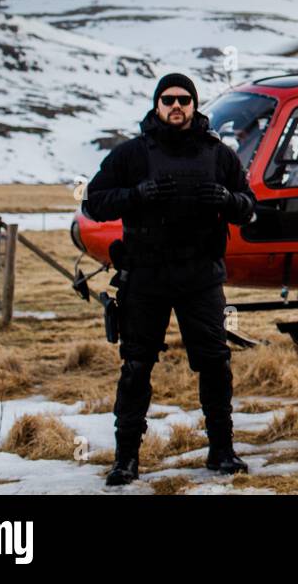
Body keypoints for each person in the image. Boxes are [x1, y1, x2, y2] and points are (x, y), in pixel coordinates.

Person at [84, 72, 257, 486]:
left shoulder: (220, 155)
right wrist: (137, 195)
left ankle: (221, 451)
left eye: (184, 99)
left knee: (215, 363)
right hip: (145, 276)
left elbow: (249, 208)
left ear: (194, 105)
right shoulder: (131, 155)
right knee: (136, 366)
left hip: (200, 276)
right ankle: (126, 459)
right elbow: (93, 203)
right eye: (168, 100)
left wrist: (227, 199)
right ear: (156, 105)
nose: (176, 106)